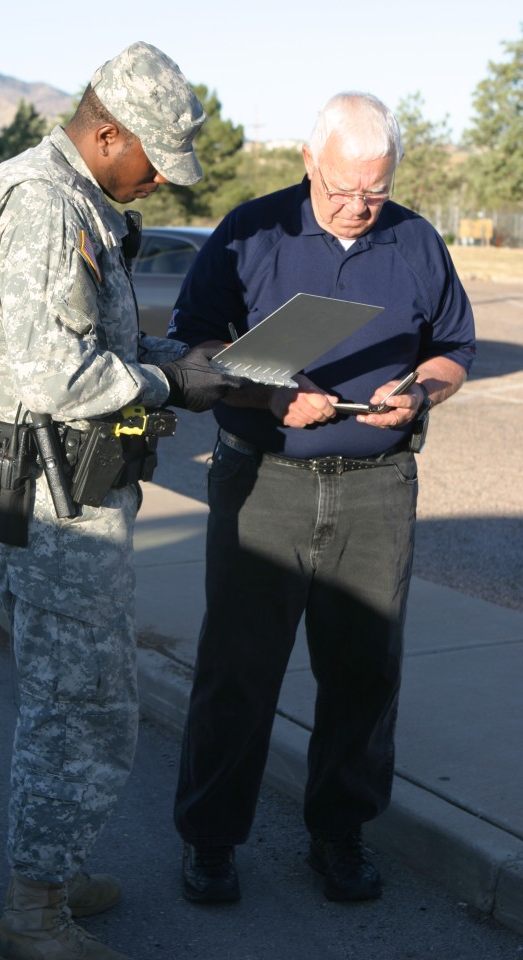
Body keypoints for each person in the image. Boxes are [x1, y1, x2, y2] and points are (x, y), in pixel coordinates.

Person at [0, 41, 244, 960]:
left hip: (71, 490)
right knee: (77, 706)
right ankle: (36, 908)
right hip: (53, 500)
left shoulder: (80, 196)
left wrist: (176, 365)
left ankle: (56, 860)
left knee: (82, 695)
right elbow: (55, 373)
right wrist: (171, 391)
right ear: (107, 131)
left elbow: (93, 344)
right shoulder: (44, 200)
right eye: (153, 159)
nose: (159, 180)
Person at [170, 92, 476, 906]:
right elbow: (193, 352)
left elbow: (452, 350)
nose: (358, 207)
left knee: (363, 672)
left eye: (375, 191)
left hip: (377, 491)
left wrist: (418, 391)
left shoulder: (414, 239)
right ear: (310, 161)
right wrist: (269, 393)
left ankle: (339, 833)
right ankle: (211, 840)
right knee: (238, 671)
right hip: (263, 481)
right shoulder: (250, 231)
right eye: (344, 189)